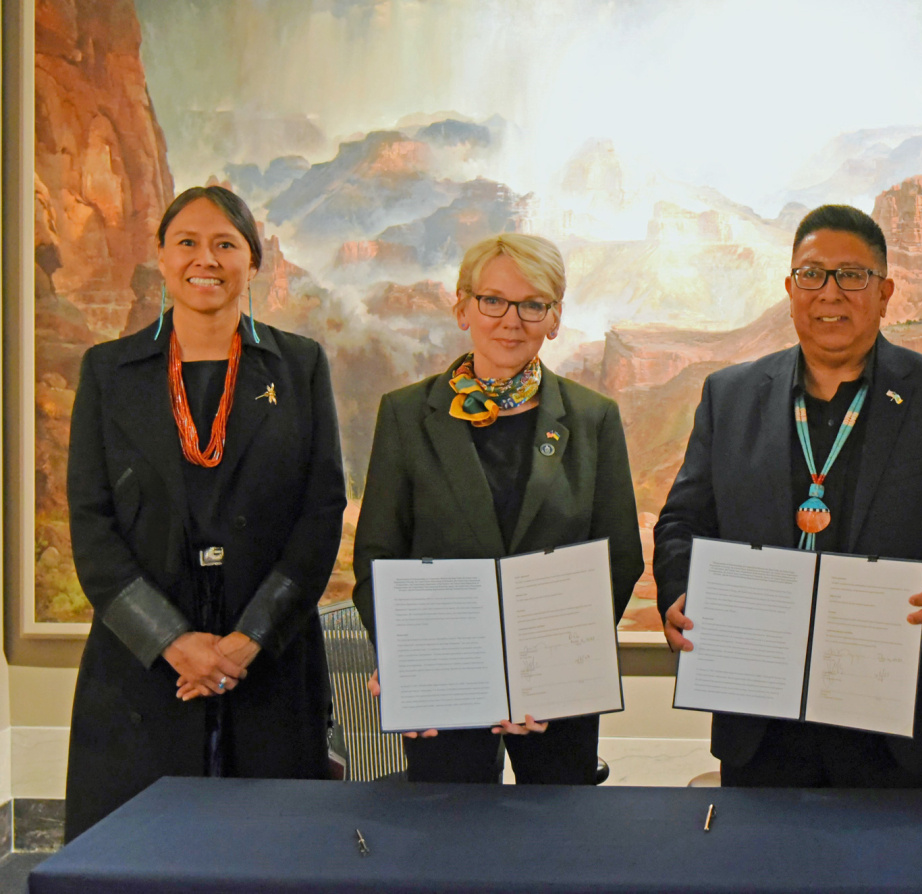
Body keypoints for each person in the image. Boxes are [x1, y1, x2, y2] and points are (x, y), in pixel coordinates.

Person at [654, 204, 922, 788]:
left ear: (884, 293)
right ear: (790, 289)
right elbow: (682, 521)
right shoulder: (729, 396)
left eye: (852, 276)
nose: (830, 292)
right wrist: (682, 592)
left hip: (901, 719)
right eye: (812, 274)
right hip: (761, 715)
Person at [64, 185, 347, 841]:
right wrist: (174, 643)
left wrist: (246, 643)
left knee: (272, 854)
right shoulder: (108, 371)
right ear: (162, 257)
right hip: (144, 664)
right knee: (142, 860)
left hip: (269, 655)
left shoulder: (300, 366)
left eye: (226, 244)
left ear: (253, 262)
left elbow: (321, 512)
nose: (206, 259)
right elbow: (92, 524)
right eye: (187, 242)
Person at [353, 233, 643, 784]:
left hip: (556, 698)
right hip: (443, 684)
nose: (512, 320)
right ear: (463, 307)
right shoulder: (406, 415)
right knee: (449, 829)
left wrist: (558, 675)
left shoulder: (593, 418)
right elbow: (377, 555)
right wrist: (401, 658)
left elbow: (619, 558)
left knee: (556, 829)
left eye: (533, 304)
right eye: (493, 301)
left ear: (554, 318)